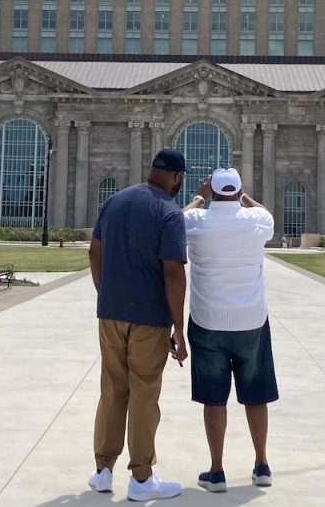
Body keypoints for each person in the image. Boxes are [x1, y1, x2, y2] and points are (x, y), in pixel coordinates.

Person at [87, 148, 188, 501]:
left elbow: (94, 251)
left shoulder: (115, 202)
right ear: (177, 177)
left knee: (113, 389)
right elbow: (174, 272)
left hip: (111, 314)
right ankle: (142, 479)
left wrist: (107, 292)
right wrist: (179, 328)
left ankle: (102, 470)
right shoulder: (169, 213)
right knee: (144, 393)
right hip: (149, 319)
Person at [182, 167, 278, 494]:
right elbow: (264, 213)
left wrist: (200, 196)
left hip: (208, 322)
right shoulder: (257, 222)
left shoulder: (196, 223)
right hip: (251, 321)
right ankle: (262, 464)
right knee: (257, 395)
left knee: (214, 399)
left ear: (212, 190)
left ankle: (217, 471)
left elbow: (178, 218)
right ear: (237, 192)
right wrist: (243, 197)